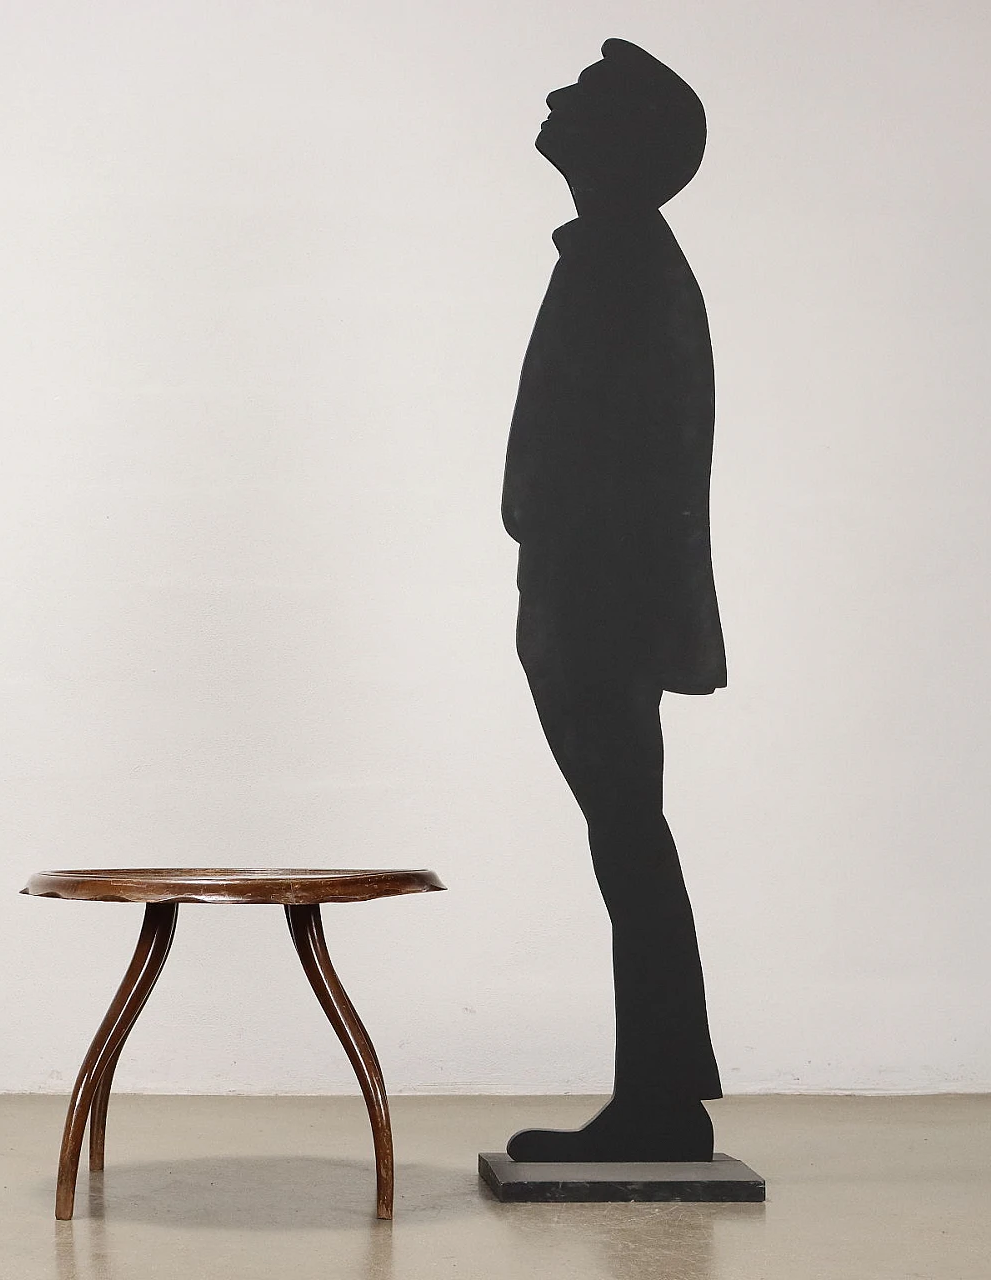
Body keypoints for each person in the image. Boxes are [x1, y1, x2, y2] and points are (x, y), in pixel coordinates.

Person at [502, 38, 726, 1162]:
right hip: (586, 598)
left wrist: (565, 570)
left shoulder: (626, 265)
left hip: (597, 605)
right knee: (626, 837)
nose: (554, 100)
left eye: (584, 98)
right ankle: (661, 1091)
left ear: (626, 145)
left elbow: (642, 460)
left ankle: (660, 1097)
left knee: (628, 838)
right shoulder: (618, 257)